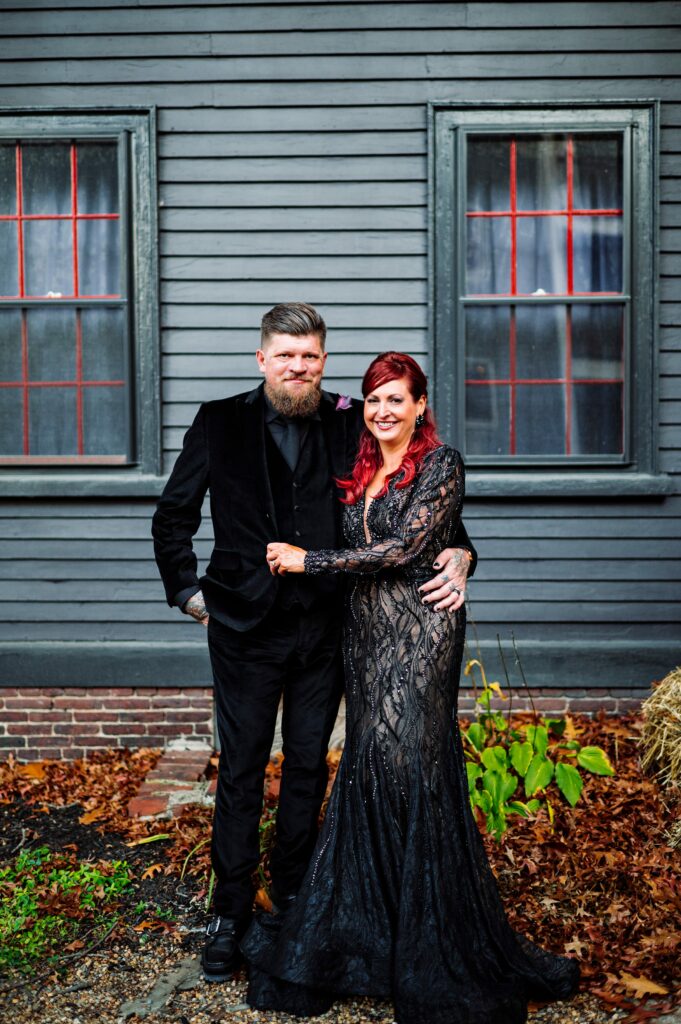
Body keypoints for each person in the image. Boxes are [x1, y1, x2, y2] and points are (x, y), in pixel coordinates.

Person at [240, 351, 580, 1024]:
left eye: (397, 399)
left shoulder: (441, 463)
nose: (384, 410)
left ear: (420, 405)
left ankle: (435, 940)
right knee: (371, 769)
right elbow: (447, 536)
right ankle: (370, 933)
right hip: (363, 642)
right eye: (373, 400)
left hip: (422, 636)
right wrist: (464, 549)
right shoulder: (361, 466)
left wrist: (311, 562)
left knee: (415, 771)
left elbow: (402, 548)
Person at [151, 304, 478, 983]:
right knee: (240, 772)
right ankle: (230, 911)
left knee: (307, 767)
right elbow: (173, 516)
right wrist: (187, 593)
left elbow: (418, 499)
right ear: (261, 358)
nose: (299, 367)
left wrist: (462, 556)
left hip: (328, 629)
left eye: (311, 357)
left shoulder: (348, 420)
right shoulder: (218, 421)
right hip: (241, 630)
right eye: (286, 355)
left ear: (323, 361)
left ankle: (295, 895)